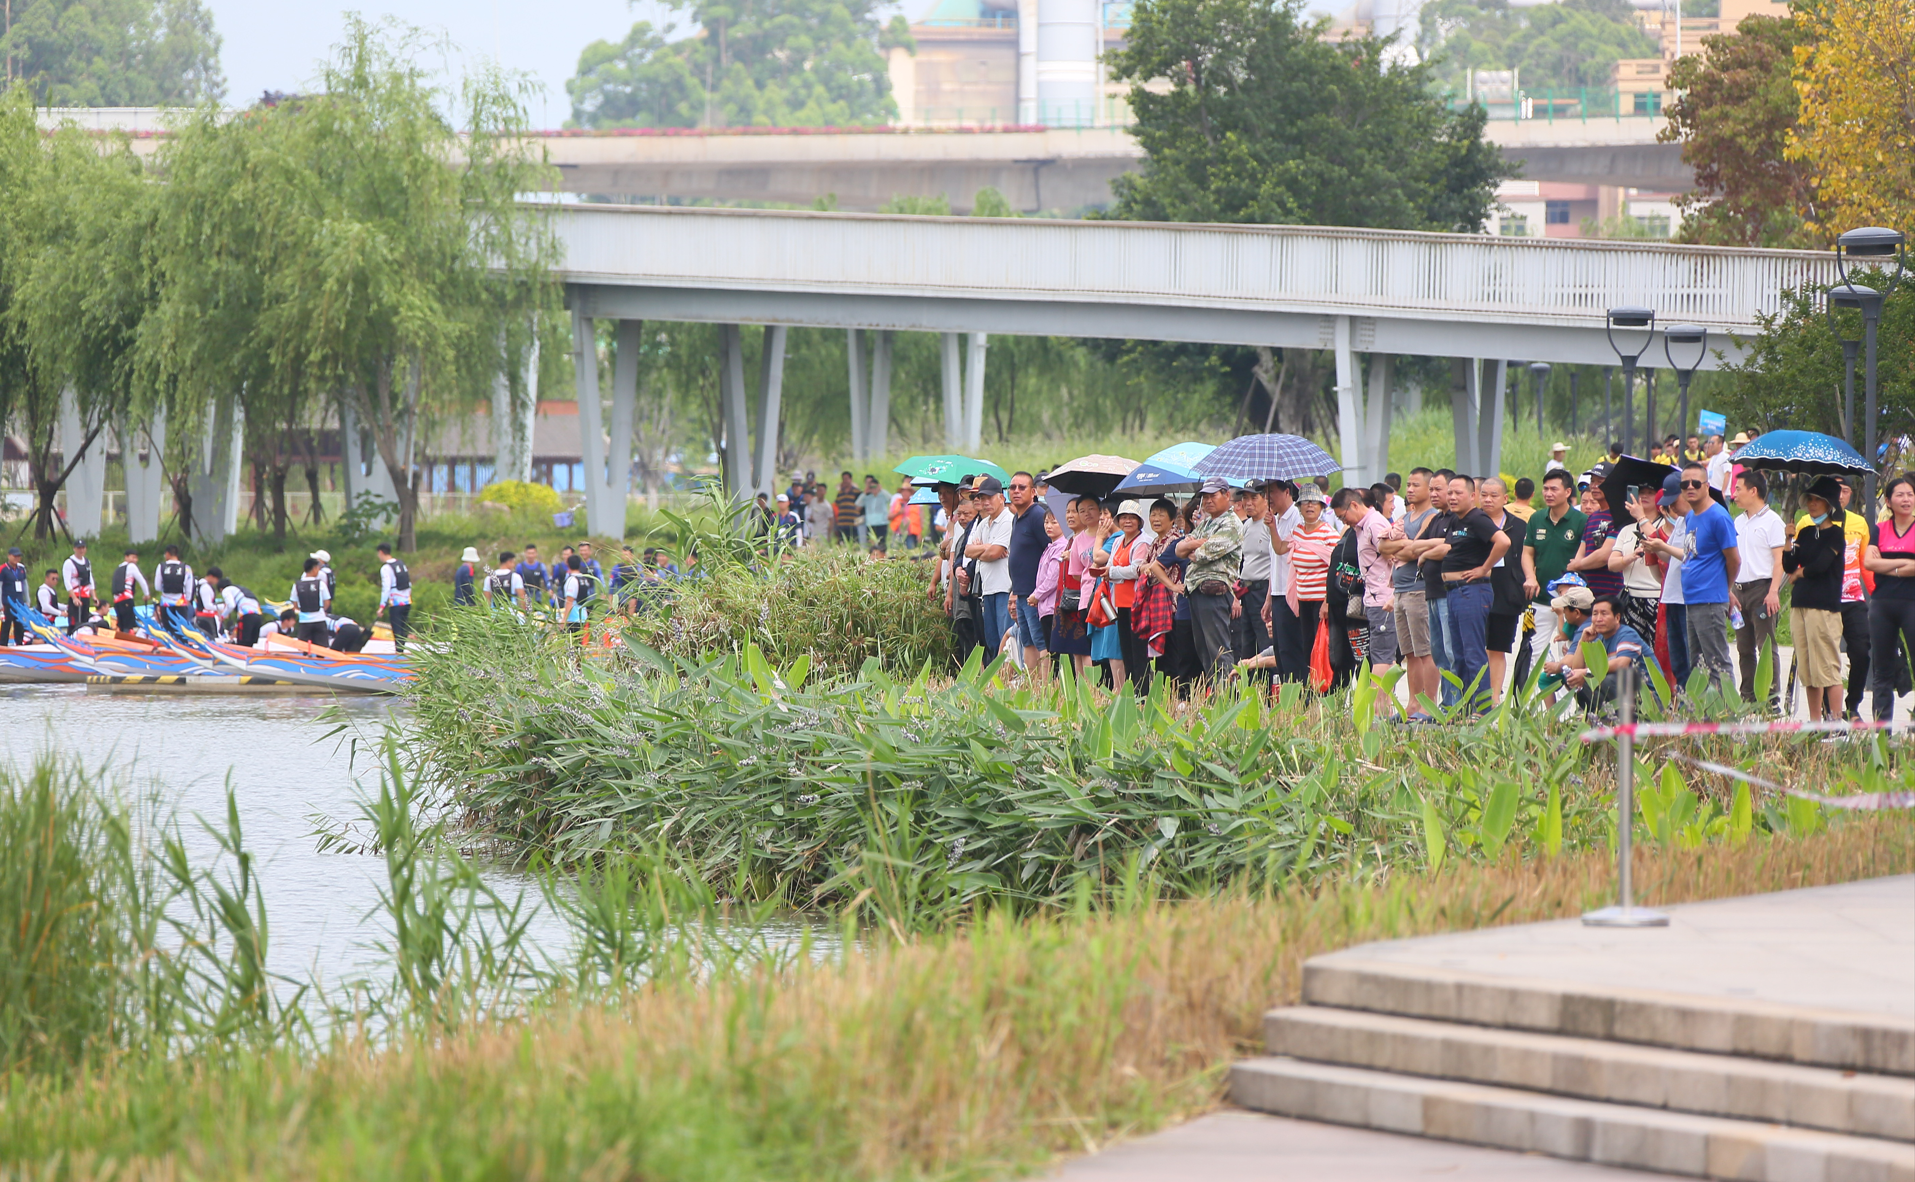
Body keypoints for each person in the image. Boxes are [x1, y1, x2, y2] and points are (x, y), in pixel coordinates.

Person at [1433, 474, 1508, 713]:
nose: (1452, 498)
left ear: (1472, 496)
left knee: (1474, 653)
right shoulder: (1457, 520)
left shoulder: (1477, 518)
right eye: (1450, 493)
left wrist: (1484, 568)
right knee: (1459, 654)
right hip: (1453, 592)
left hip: (1471, 592)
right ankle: (1465, 708)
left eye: (1458, 493)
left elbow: (1503, 541)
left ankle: (1483, 710)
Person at [1783, 477, 1848, 721]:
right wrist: (1789, 540)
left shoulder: (1836, 534)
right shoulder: (1806, 532)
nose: (1812, 504)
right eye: (1810, 499)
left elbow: (1821, 566)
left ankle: (1834, 723)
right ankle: (1814, 723)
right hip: (1800, 604)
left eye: (1818, 500)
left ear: (1829, 504)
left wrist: (1801, 572)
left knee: (1827, 669)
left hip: (1824, 607)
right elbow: (1789, 565)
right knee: (1809, 671)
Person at [1675, 461, 1739, 694]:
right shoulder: (1691, 516)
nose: (1689, 487)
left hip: (1710, 598)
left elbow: (1734, 559)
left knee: (1717, 663)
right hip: (1692, 598)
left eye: (1695, 483)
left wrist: (1726, 588)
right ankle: (1704, 717)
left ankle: (1727, 718)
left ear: (1706, 485)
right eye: (1685, 484)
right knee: (1698, 664)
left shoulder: (1718, 517)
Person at [1381, 469, 1441, 717]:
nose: (1410, 489)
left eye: (1416, 485)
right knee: (1409, 653)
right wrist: (1404, 546)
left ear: (1429, 488)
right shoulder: (1405, 516)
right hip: (1400, 591)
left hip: (1418, 590)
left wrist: (1405, 547)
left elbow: (1414, 548)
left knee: (1425, 650)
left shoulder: (1431, 517)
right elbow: (1382, 545)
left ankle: (1429, 704)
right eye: (1408, 485)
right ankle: (1413, 704)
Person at [1178, 477, 1244, 679]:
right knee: (1204, 651)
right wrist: (1197, 543)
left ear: (1226, 495)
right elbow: (1179, 550)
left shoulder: (1231, 523)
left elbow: (1202, 553)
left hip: (1214, 591)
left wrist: (1194, 545)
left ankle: (1227, 699)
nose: (1207, 501)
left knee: (1218, 650)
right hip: (1196, 589)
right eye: (1204, 497)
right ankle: (1216, 698)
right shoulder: (1206, 523)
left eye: (1213, 495)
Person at [1730, 470, 1785, 709]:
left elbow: (1779, 560)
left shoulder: (1773, 521)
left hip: (1762, 590)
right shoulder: (1738, 521)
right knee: (1743, 647)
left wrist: (1773, 591)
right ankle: (1748, 696)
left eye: (1738, 489)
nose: (1734, 494)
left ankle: (1770, 699)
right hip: (1738, 591)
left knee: (1766, 646)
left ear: (1754, 491)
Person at [1338, 486, 1396, 710]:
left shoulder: (1375, 524)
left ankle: (1378, 710)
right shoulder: (1362, 527)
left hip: (1383, 601)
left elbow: (1393, 557)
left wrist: (1392, 593)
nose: (1345, 522)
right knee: (1381, 655)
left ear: (1354, 505)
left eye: (1344, 516)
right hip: (1373, 601)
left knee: (1382, 658)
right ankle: (1383, 707)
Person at [1865, 475, 1915, 722]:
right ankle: (1881, 736)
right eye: (1900, 495)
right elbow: (1868, 562)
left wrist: (1885, 564)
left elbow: (1877, 563)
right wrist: (1904, 564)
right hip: (1882, 604)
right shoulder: (1879, 529)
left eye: (1910, 494)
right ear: (1888, 501)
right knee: (1882, 672)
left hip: (1911, 604)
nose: (1906, 499)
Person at [1551, 595, 1652, 714]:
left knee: (1607, 680)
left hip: (1647, 699)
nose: (1598, 619)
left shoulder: (1627, 634)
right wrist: (1582, 641)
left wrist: (1585, 672)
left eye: (1604, 614)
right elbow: (1576, 670)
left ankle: (1627, 719)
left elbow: (1621, 664)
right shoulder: (1598, 638)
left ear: (1617, 617)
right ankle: (1600, 717)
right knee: (1572, 678)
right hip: (1621, 696)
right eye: (1595, 614)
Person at [1282, 484, 1341, 687]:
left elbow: (1336, 569)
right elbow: (1281, 548)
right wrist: (1272, 527)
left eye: (1314, 502)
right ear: (1299, 507)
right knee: (1307, 646)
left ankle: (1326, 687)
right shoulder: (1297, 531)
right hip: (1303, 598)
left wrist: (1327, 601)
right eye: (1305, 502)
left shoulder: (1328, 533)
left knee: (1322, 647)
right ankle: (1313, 686)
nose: (1309, 506)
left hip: (1320, 600)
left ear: (1322, 507)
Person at [1095, 499, 1154, 694]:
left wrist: (1113, 572)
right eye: (1124, 518)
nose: (1127, 521)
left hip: (1137, 603)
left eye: (1132, 518)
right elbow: (1113, 565)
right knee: (1126, 651)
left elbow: (1136, 570)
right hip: (1120, 602)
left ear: (1139, 521)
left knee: (1139, 653)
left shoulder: (1143, 541)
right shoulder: (1119, 541)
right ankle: (1132, 693)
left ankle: (1143, 693)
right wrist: (1115, 571)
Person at [1141, 498, 1198, 692]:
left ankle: (1177, 693)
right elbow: (1143, 565)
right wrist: (1146, 567)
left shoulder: (1175, 540)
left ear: (1173, 519)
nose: (1156, 519)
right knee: (1161, 656)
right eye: (1153, 514)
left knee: (1174, 653)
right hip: (1156, 606)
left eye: (1161, 515)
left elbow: (1154, 567)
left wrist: (1172, 585)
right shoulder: (1156, 542)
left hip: (1171, 604)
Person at [1608, 487, 1666, 673]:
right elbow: (1612, 563)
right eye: (1640, 492)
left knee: (1658, 651)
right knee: (1632, 652)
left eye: (1650, 491)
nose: (1643, 496)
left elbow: (1662, 545)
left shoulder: (1665, 525)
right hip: (1631, 597)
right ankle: (1637, 697)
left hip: (1657, 597)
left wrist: (1642, 518)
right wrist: (1630, 557)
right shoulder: (1626, 530)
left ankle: (1660, 695)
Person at [1478, 477, 1526, 705]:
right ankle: (1475, 697)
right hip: (1475, 591)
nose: (1487, 499)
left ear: (1505, 498)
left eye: (1493, 495)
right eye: (1484, 494)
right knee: (1474, 648)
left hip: (1505, 593)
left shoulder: (1518, 526)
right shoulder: (1471, 522)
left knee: (1497, 648)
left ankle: (1494, 698)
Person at [1004, 472, 1052, 674]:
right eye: (1013, 487)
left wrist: (1039, 591)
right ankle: (1032, 685)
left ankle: (1045, 687)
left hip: (1036, 595)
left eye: (1021, 487)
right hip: (1021, 592)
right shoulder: (1017, 518)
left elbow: (1049, 550)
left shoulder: (1037, 516)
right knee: (1027, 641)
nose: (1016, 491)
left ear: (1033, 492)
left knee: (1041, 642)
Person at [962, 476, 1015, 658]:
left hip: (1004, 588)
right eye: (982, 498)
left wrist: (983, 551)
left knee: (1005, 640)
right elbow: (968, 551)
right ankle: (996, 681)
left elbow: (995, 553)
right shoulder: (984, 524)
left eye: (989, 498)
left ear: (1001, 497)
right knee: (991, 641)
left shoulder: (1008, 520)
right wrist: (987, 548)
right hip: (988, 589)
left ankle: (1011, 679)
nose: (985, 503)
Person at [1261, 479, 1304, 680]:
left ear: (1287, 492)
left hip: (1292, 595)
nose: (1268, 497)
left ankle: (1300, 698)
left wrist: (1272, 529)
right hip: (1277, 593)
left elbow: (1283, 550)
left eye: (1272, 491)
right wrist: (1269, 598)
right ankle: (1288, 701)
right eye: (1265, 493)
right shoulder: (1275, 519)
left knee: (1292, 650)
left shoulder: (1297, 518)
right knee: (1280, 650)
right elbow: (1274, 563)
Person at [1049, 496, 1096, 677]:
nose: (1070, 516)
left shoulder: (1091, 539)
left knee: (1085, 647)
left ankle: (1090, 688)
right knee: (1074, 649)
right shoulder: (1071, 540)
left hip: (1083, 596)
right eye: (1068, 511)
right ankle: (1079, 685)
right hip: (1067, 598)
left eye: (1074, 512)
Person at [1565, 468, 1623, 603]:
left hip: (1609, 593)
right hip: (1587, 592)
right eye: (1592, 481)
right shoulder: (1593, 517)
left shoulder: (1619, 515)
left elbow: (1604, 555)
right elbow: (1582, 548)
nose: (1594, 486)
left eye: (1600, 482)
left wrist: (1577, 565)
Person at [1232, 482, 1273, 665]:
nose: (1248, 503)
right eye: (1245, 498)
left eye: (1253, 498)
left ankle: (1271, 688)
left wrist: (1270, 598)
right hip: (1246, 592)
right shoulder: (1246, 525)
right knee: (1246, 645)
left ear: (1265, 499)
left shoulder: (1270, 524)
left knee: (1265, 643)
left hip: (1263, 590)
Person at [1030, 508, 1067, 671]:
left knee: (1057, 651)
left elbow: (1053, 577)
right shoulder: (1050, 546)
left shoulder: (1062, 546)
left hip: (1053, 606)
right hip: (1045, 607)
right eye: (1046, 522)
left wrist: (1036, 595)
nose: (1049, 526)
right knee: (1051, 650)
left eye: (1054, 522)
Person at [374, 543, 413, 652]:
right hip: (407, 601)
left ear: (381, 552)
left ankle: (399, 654)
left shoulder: (386, 568)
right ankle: (402, 651)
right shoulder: (401, 564)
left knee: (397, 629)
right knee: (403, 628)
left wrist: (381, 606)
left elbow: (386, 588)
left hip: (396, 603)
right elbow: (409, 583)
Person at [154, 546, 196, 637]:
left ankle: (169, 647)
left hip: (166, 602)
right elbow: (189, 587)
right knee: (181, 629)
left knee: (168, 629)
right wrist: (188, 598)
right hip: (181, 602)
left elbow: (157, 586)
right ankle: (181, 646)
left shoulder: (161, 566)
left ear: (168, 554)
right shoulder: (186, 567)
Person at [59, 540, 96, 638]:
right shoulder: (69, 563)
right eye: (79, 548)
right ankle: (70, 637)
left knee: (85, 621)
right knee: (74, 621)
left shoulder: (87, 562)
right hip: (76, 595)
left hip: (85, 595)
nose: (81, 550)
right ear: (74, 549)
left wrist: (94, 596)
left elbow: (90, 579)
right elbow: (67, 581)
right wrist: (74, 598)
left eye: (83, 548)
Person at [290, 558, 331, 645]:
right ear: (314, 568)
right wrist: (322, 611)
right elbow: (327, 602)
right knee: (321, 649)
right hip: (319, 619)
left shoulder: (296, 585)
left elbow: (295, 604)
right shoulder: (321, 584)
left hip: (304, 621)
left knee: (304, 647)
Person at [108, 548, 149, 634]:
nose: (135, 560)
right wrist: (146, 594)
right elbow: (142, 580)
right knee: (129, 625)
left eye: (136, 558)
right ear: (126, 557)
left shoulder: (118, 568)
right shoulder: (131, 566)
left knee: (121, 625)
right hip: (126, 599)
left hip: (117, 602)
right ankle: (128, 643)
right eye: (133, 557)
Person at [221, 577, 265, 646]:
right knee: (250, 644)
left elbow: (231, 605)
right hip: (258, 616)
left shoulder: (226, 590)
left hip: (247, 616)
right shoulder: (243, 590)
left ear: (221, 589)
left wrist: (222, 616)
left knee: (242, 644)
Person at [0, 548, 29, 645]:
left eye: (18, 556)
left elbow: (25, 584)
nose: (17, 558)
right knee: (6, 624)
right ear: (9, 556)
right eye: (14, 556)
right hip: (7, 601)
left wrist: (27, 600)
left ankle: (19, 643)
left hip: (19, 601)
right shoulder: (3, 569)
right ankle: (3, 644)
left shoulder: (21, 568)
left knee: (19, 624)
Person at [561, 554, 592, 634]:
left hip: (573, 618)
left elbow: (569, 601)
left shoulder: (572, 580)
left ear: (568, 564)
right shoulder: (584, 579)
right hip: (583, 616)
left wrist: (564, 619)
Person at [859, 475, 890, 550]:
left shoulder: (883, 495)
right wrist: (864, 493)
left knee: (882, 543)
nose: (873, 489)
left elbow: (890, 498)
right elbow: (858, 504)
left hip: (882, 523)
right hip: (870, 523)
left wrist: (881, 489)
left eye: (875, 486)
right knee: (871, 543)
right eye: (871, 487)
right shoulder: (867, 497)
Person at [193, 566, 223, 637]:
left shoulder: (199, 584)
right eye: (217, 579)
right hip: (207, 618)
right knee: (211, 637)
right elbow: (207, 606)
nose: (217, 582)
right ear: (211, 576)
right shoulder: (205, 587)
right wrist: (222, 606)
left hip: (200, 616)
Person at [834, 471, 862, 545]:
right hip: (842, 523)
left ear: (850, 479)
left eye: (846, 479)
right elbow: (837, 504)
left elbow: (860, 506)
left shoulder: (857, 492)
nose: (845, 481)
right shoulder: (840, 493)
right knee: (842, 543)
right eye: (843, 479)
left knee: (854, 543)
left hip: (853, 523)